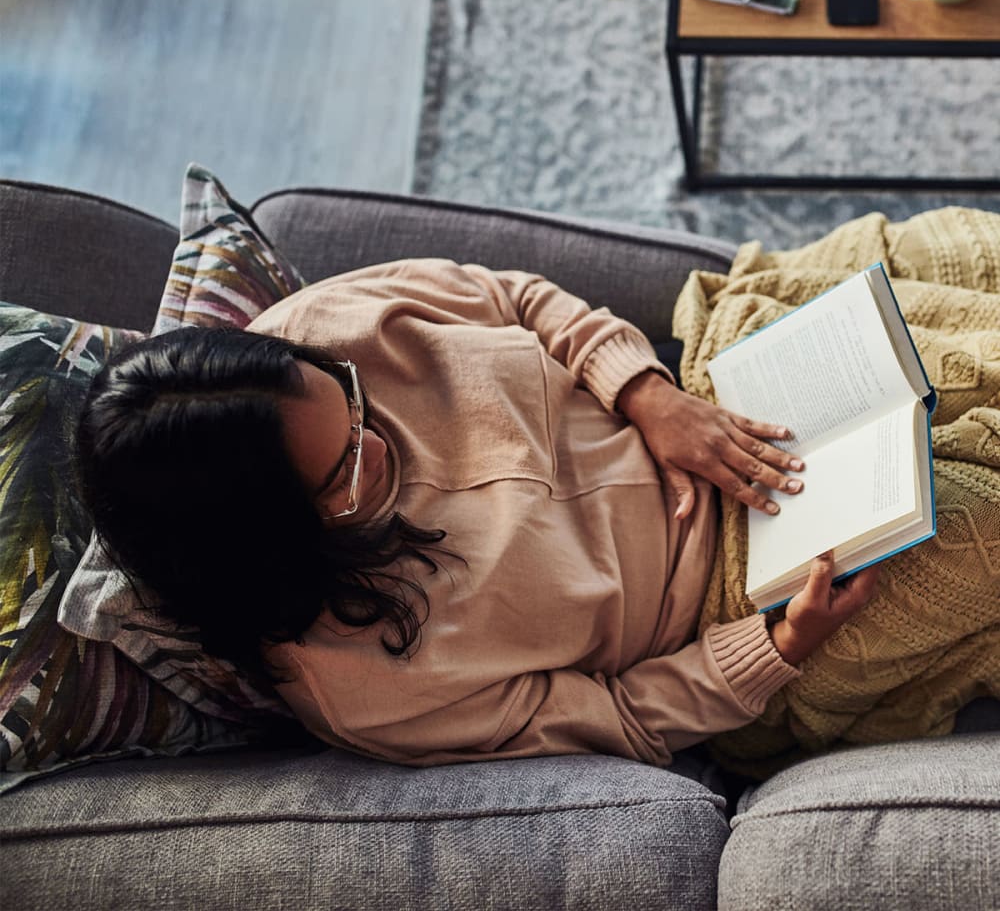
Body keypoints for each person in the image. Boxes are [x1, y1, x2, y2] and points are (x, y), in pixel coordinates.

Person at [76, 259, 880, 769]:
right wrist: (775, 647)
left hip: (709, 392)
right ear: (270, 546)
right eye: (347, 469)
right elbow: (619, 718)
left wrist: (650, 395)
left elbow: (515, 298)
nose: (378, 445)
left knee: (922, 280)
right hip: (737, 603)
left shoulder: (315, 329)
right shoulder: (364, 690)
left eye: (354, 404)